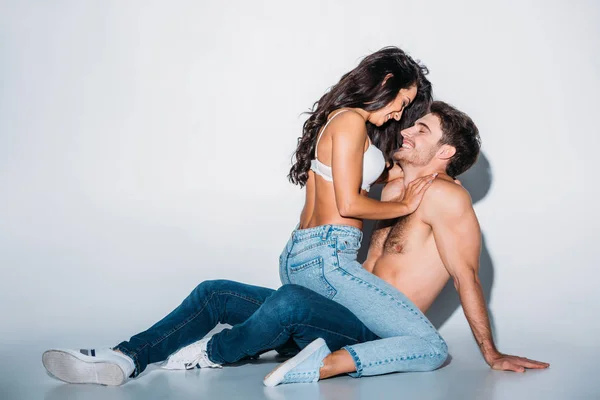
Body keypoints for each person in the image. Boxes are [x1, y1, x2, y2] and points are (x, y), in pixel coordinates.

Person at [42, 101, 549, 387]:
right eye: (410, 123)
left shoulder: (445, 198)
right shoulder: (384, 190)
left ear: (447, 152)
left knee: (287, 303)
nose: (408, 133)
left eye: (423, 129)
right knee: (214, 291)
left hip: (378, 334)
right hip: (334, 315)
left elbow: (467, 276)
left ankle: (214, 353)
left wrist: (492, 352)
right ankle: (124, 357)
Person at [42, 46, 435, 386]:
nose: (401, 111)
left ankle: (124, 357)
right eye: (404, 99)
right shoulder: (351, 121)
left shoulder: (340, 121)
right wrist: (404, 205)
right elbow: (349, 204)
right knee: (430, 347)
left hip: (301, 255)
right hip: (329, 258)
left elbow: (368, 179)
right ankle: (216, 351)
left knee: (217, 293)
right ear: (386, 80)